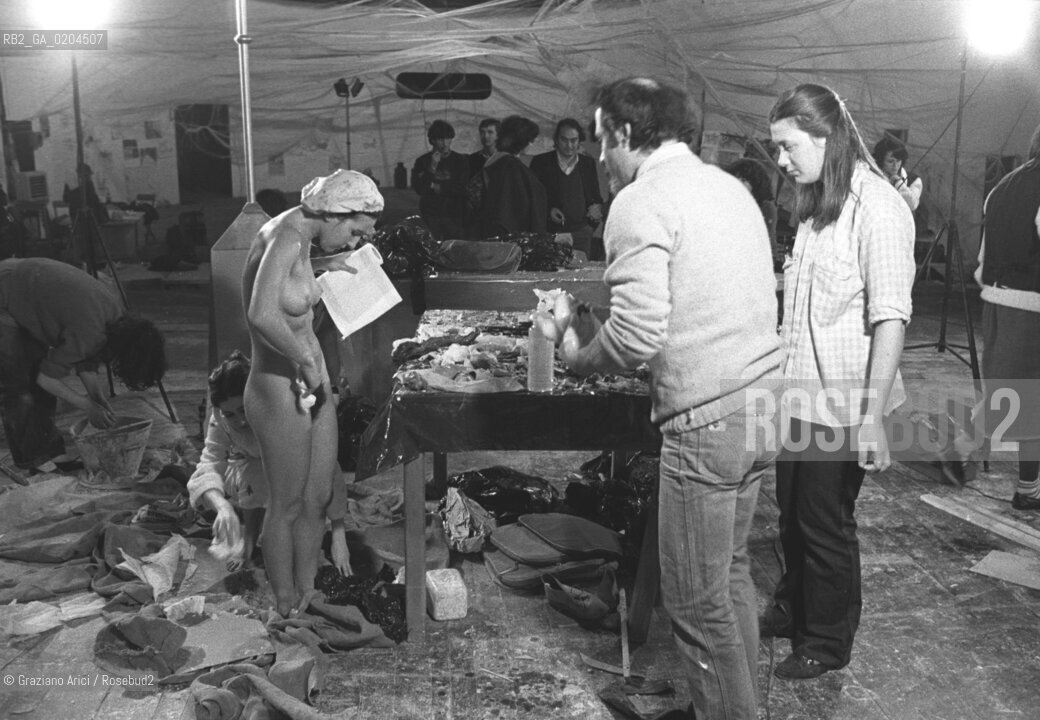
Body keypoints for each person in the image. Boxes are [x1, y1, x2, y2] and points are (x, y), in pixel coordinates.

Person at [542, 77, 782, 720]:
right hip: (763, 406)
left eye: (599, 139)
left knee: (695, 605)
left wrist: (575, 353)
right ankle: (738, 707)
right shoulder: (728, 188)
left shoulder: (640, 200)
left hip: (708, 419)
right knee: (729, 582)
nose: (597, 156)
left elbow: (638, 334)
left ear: (623, 134)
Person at [762, 84, 915, 679]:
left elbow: (891, 316)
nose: (780, 160)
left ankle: (825, 640)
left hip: (846, 399)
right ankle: (796, 606)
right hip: (799, 390)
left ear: (825, 137)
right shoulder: (815, 204)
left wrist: (872, 416)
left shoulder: (877, 206)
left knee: (824, 522)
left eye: (788, 146)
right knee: (791, 512)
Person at [242, 168, 382, 617]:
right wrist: (303, 361)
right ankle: (284, 602)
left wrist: (326, 266)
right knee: (286, 503)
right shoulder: (284, 233)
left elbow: (290, 281)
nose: (355, 241)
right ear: (336, 215)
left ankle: (308, 588)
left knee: (318, 496)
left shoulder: (303, 234)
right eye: (355, 232)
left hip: (311, 376)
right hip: (279, 383)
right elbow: (261, 314)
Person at [187, 350, 352, 574]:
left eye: (244, 409)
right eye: (230, 414)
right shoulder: (220, 416)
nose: (241, 421)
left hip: (297, 461)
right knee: (250, 476)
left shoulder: (290, 403)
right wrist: (222, 506)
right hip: (255, 463)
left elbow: (328, 466)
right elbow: (210, 462)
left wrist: (338, 534)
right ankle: (250, 536)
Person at [0, 257, 166, 469]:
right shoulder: (91, 330)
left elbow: (86, 358)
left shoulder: (115, 318)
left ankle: (45, 455)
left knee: (35, 373)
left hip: (21, 283)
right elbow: (46, 379)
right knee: (22, 384)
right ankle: (35, 460)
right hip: (5, 294)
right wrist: (87, 406)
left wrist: (97, 398)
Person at [974, 122, 1040, 510]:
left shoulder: (1002, 186)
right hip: (1032, 306)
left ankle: (1030, 487)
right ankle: (1030, 487)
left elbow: (982, 263)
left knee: (1026, 402)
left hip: (999, 304)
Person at [529, 118, 605, 257]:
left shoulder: (587, 164)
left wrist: (596, 206)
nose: (569, 145)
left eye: (574, 140)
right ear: (556, 140)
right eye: (564, 140)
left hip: (581, 233)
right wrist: (549, 211)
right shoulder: (541, 163)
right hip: (551, 233)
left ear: (579, 141)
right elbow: (532, 199)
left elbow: (595, 196)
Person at [479, 115, 547, 238]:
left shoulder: (495, 161)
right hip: (512, 235)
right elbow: (513, 207)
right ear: (522, 141)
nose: (531, 144)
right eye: (530, 140)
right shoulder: (510, 166)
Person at [411, 119, 470, 240]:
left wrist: (437, 187)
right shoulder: (423, 161)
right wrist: (432, 167)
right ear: (432, 141)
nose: (445, 143)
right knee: (433, 247)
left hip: (454, 213)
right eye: (440, 139)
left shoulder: (460, 160)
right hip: (431, 214)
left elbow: (464, 188)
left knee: (454, 248)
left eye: (448, 139)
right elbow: (420, 189)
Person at [726, 157, 779, 264]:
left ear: (756, 184)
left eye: (744, 180)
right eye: (735, 179)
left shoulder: (766, 208)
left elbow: (767, 243)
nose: (738, 184)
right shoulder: (724, 204)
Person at [872, 134, 922, 212]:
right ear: (881, 160)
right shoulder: (872, 177)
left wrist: (898, 183)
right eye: (890, 161)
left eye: (898, 160)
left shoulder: (914, 180)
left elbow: (912, 204)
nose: (895, 166)